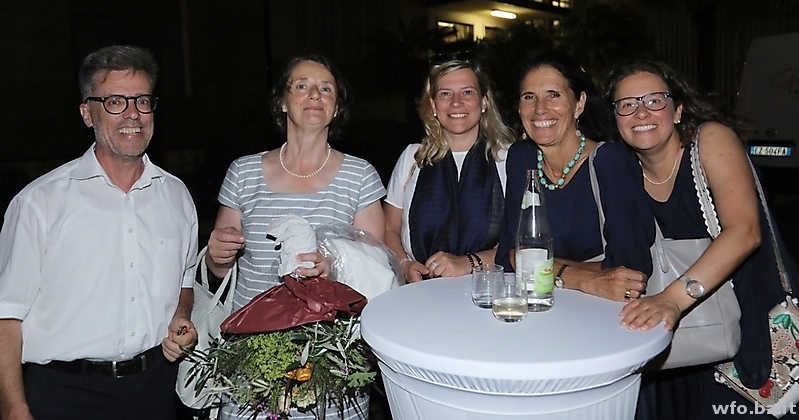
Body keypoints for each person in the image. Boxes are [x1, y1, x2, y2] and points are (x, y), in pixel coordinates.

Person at [0, 45, 199, 420]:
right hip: (64, 395)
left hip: (155, 389)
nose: (132, 114)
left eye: (142, 101)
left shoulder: (176, 197)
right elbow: (6, 316)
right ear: (87, 113)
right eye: (114, 102)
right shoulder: (39, 203)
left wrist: (181, 317)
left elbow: (184, 283)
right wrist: (13, 408)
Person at [606, 59, 799, 419]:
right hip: (685, 342)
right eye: (627, 104)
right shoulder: (622, 170)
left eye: (655, 100)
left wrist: (672, 300)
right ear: (616, 118)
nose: (641, 112)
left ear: (678, 110)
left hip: (751, 322)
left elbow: (745, 231)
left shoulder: (711, 139)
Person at [205, 52, 385, 419]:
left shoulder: (359, 176)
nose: (315, 95)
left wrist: (333, 267)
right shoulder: (243, 172)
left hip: (330, 362)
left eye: (326, 88)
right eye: (302, 86)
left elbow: (378, 270)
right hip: (251, 359)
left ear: (336, 107)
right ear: (282, 102)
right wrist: (216, 256)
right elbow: (221, 268)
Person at [495, 51, 654, 301]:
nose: (540, 109)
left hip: (601, 310)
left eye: (554, 95)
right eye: (529, 97)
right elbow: (509, 257)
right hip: (538, 304)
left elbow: (630, 271)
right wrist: (581, 278)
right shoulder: (521, 158)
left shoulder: (609, 161)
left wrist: (541, 267)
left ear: (579, 103)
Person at [384, 53, 514, 282]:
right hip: (420, 290)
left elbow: (524, 242)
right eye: (445, 93)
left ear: (484, 101)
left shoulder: (509, 159)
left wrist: (469, 262)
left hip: (489, 288)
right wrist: (405, 265)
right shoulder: (412, 158)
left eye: (467, 92)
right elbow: (388, 230)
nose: (456, 102)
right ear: (433, 105)